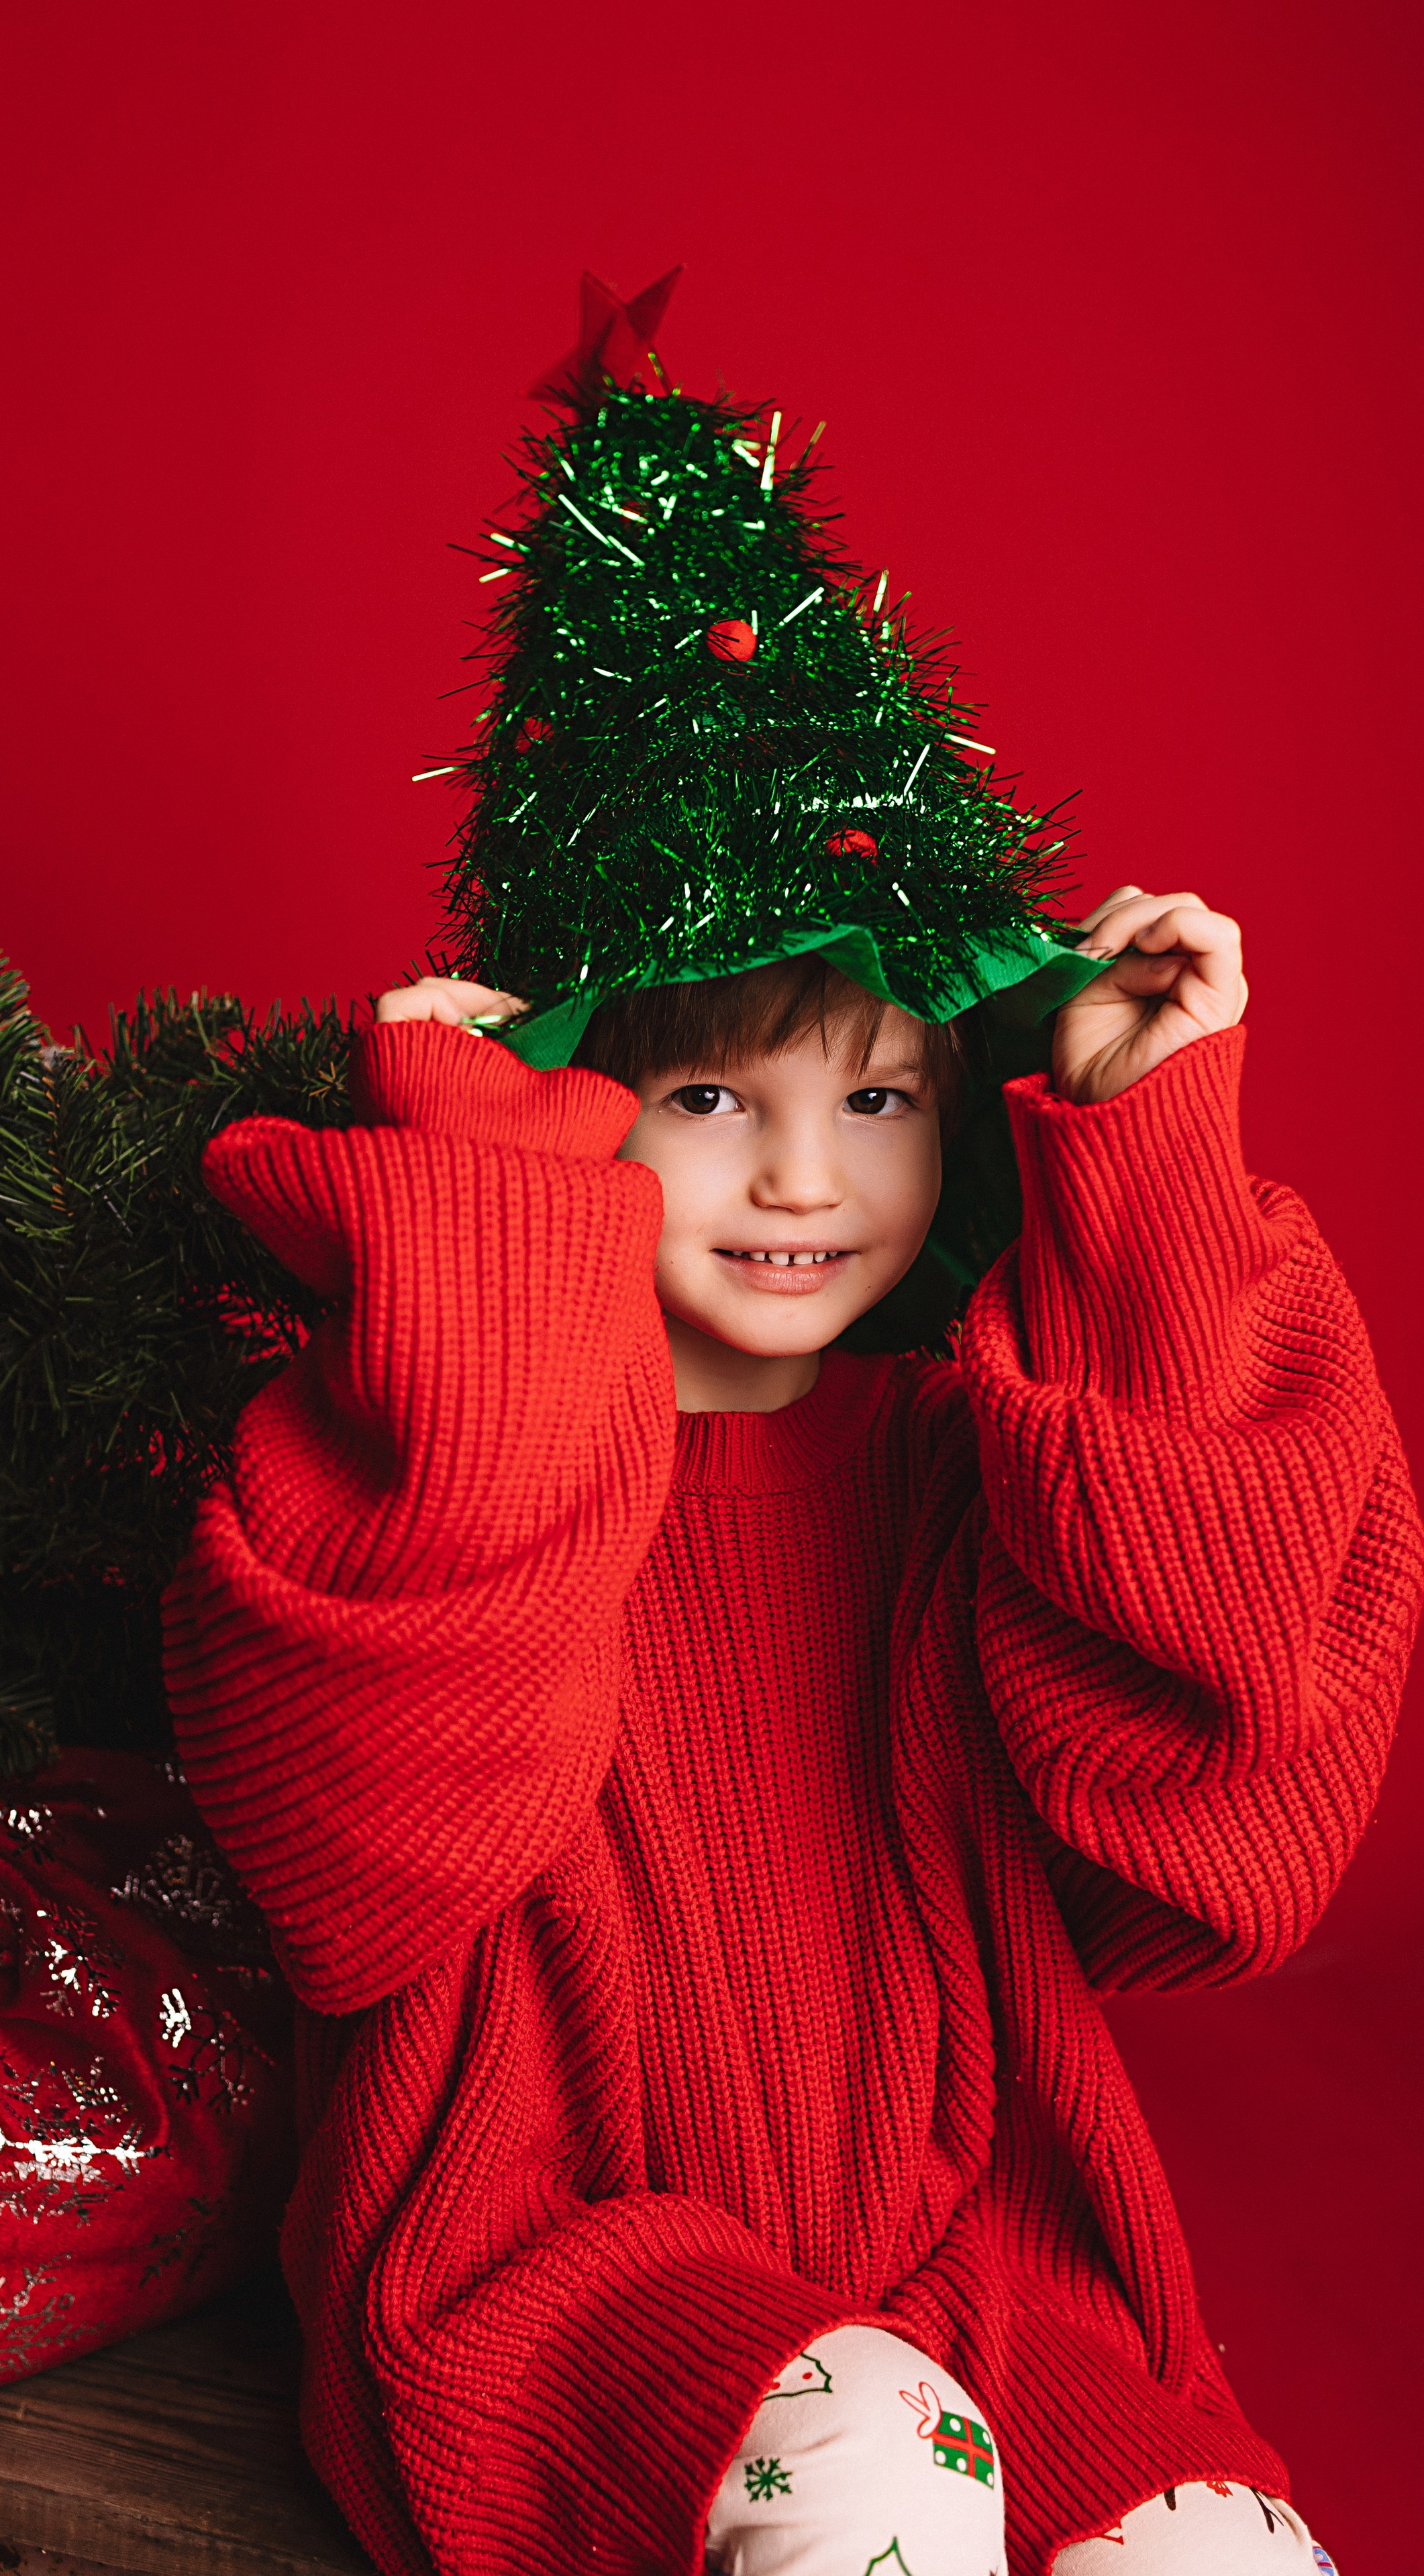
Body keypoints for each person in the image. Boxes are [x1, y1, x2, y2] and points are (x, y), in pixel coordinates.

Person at [160, 280, 1421, 2576]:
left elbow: (1222, 1840)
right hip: (562, 2252)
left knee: (1217, 2549)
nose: (808, 1180)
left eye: (884, 1099)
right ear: (579, 1102)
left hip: (976, 2245)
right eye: (711, 1100)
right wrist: (484, 1217)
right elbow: (363, 1865)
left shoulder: (961, 1454)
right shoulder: (444, 1449)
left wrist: (1146, 1168)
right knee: (865, 2480)